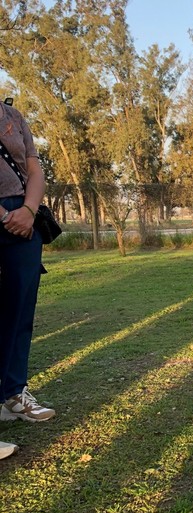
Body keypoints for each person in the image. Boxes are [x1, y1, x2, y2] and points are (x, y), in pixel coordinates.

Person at [0, 98, 55, 460]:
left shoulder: (13, 116)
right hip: (5, 215)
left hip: (23, 216)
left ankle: (13, 395)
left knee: (20, 312)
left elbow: (35, 171)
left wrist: (29, 211)